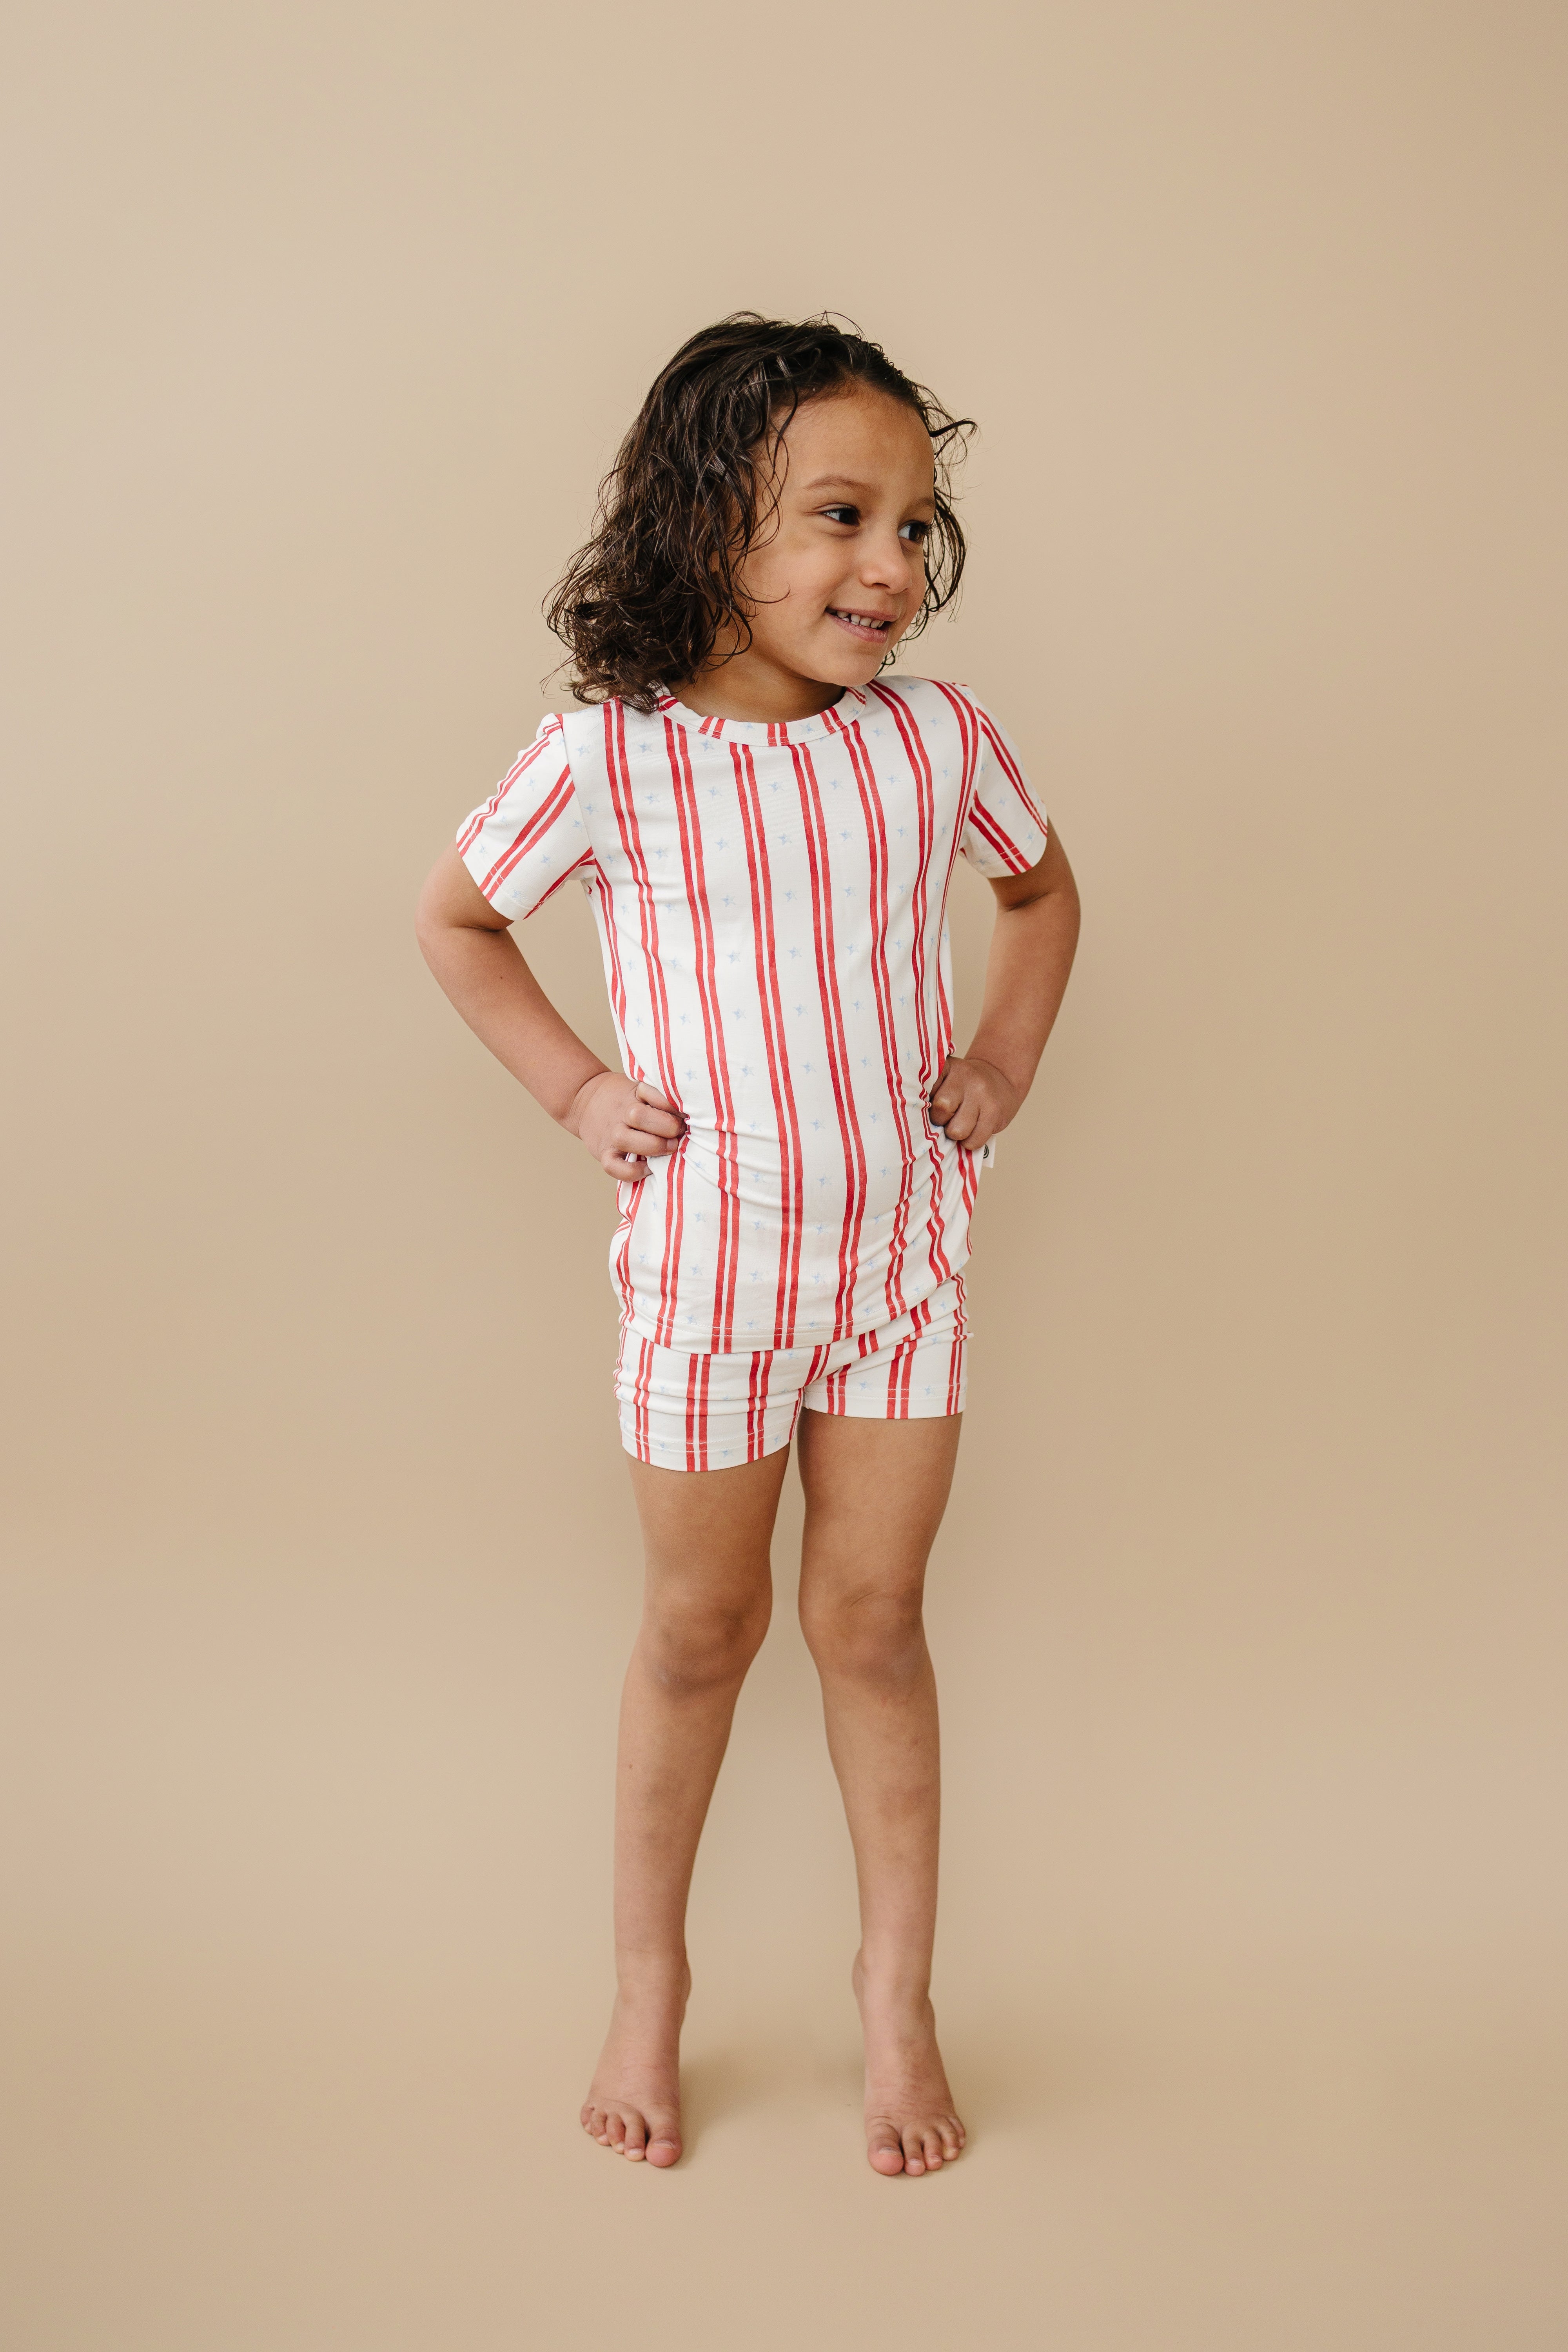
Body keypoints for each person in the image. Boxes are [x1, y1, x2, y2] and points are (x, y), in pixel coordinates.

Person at [416, 315, 1080, 2176]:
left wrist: (1003, 1055)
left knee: (871, 1625)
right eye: (842, 517)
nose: (892, 565)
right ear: (709, 524)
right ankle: (651, 1984)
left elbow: (1040, 892)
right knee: (701, 1632)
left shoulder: (935, 740)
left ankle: (896, 1997)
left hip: (900, 1263)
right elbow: (458, 920)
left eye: (915, 527)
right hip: (713, 1276)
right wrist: (576, 1091)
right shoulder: (610, 759)